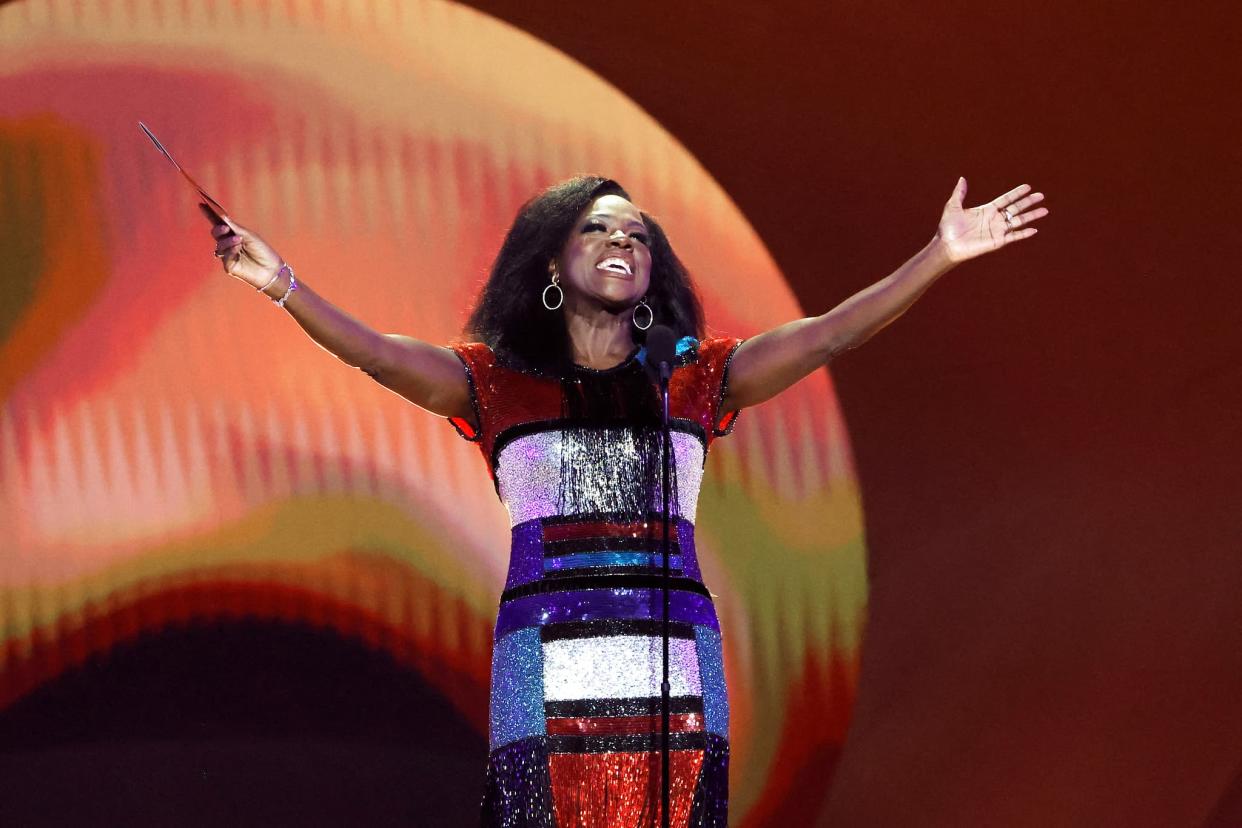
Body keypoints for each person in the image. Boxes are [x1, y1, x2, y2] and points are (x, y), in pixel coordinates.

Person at [204, 174, 1046, 826]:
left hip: (672, 662)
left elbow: (832, 331)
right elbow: (378, 356)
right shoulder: (494, 384)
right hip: (548, 664)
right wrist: (281, 282)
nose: (620, 240)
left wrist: (937, 255)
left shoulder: (695, 376)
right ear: (550, 262)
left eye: (636, 233)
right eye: (596, 228)